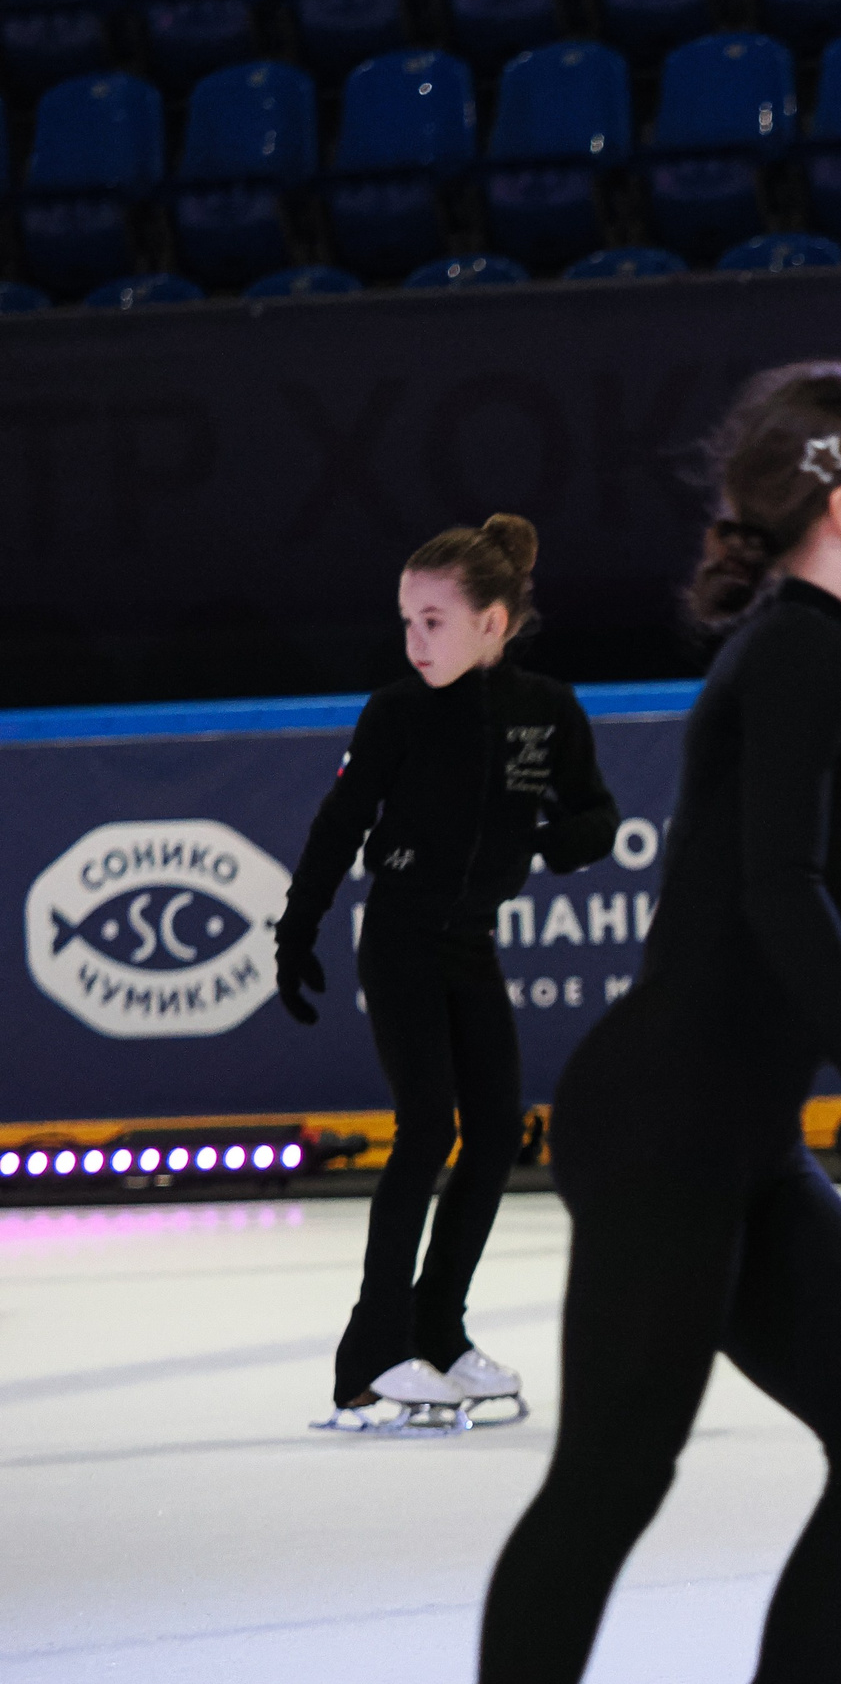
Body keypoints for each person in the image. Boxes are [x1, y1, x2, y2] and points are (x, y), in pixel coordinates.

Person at [479, 363, 841, 1684]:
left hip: (730, 1132)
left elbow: (757, 938)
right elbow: (775, 890)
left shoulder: (819, 650)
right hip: (668, 1129)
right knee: (614, 1474)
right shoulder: (803, 646)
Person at [282, 512, 618, 1436]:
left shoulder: (545, 709)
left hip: (470, 942)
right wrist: (297, 931)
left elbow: (596, 813)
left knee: (499, 1132)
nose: (415, 640)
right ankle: (369, 1361)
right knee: (428, 1127)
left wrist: (559, 839)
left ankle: (438, 1328)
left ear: (491, 622)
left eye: (433, 621)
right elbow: (340, 824)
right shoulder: (396, 712)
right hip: (399, 938)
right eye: (408, 621)